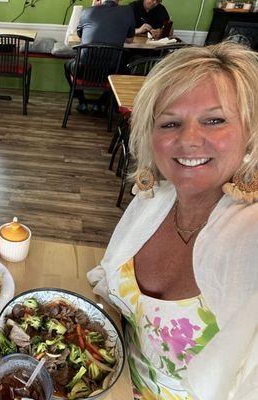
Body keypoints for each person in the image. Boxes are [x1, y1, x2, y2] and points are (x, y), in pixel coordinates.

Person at [87, 42, 258, 399]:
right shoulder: (153, 202)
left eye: (215, 120)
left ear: (251, 133)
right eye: (170, 122)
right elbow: (107, 282)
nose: (189, 140)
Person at [67, 0, 135, 113]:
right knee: (125, 70)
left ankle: (82, 102)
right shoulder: (127, 12)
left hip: (82, 70)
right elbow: (130, 39)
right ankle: (101, 103)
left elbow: (80, 35)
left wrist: (93, 8)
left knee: (67, 65)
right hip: (111, 72)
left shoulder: (87, 11)